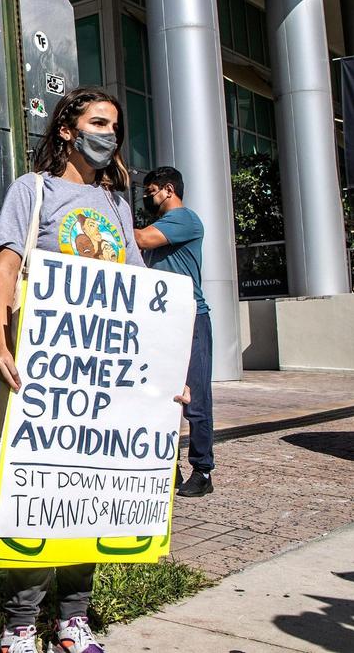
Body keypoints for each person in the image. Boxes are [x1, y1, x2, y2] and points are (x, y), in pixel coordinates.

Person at [0, 87, 143, 653]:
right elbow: (6, 261)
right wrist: (2, 340)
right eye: (98, 123)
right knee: (40, 493)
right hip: (45, 369)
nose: (110, 135)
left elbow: (140, 289)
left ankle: (73, 619)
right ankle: (20, 624)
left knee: (91, 495)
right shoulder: (36, 190)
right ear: (68, 131)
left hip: (103, 376)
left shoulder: (118, 207)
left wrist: (160, 373)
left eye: (115, 127)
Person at [135, 166, 214, 497]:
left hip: (191, 317)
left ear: (168, 190)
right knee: (160, 392)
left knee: (195, 396)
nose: (147, 198)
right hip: (162, 320)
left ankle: (203, 471)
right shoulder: (162, 225)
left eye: (150, 191)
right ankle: (169, 465)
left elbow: (137, 239)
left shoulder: (184, 219)